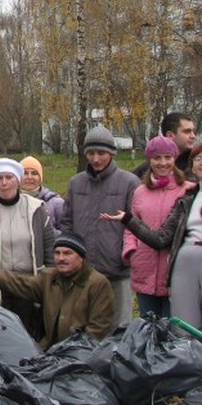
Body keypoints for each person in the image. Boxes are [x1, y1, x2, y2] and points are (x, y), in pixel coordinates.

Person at [102, 144, 202, 347]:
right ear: (192, 168)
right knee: (182, 329)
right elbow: (161, 238)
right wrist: (128, 220)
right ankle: (186, 370)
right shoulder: (186, 199)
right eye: (198, 159)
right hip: (183, 266)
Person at [0, 158, 55, 338]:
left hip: (30, 287)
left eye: (9, 177)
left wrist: (51, 287)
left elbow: (50, 252)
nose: (4, 183)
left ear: (18, 180)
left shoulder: (37, 211)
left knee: (30, 338)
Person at [0, 233, 115, 350]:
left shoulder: (98, 283)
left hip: (82, 354)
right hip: (48, 350)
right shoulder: (49, 278)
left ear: (81, 257)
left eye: (67, 253)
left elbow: (98, 330)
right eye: (57, 253)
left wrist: (73, 353)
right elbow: (22, 283)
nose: (61, 258)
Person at [61, 125, 139, 326]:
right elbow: (67, 222)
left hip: (117, 271)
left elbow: (135, 224)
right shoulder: (76, 183)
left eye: (102, 153)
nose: (96, 159)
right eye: (91, 153)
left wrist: (124, 255)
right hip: (82, 272)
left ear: (111, 153)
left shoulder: (129, 182)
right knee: (83, 327)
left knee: (119, 329)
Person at [122, 137, 194, 318]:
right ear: (149, 160)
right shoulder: (140, 191)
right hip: (144, 269)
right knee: (148, 330)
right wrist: (131, 251)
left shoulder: (187, 189)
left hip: (176, 272)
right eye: (157, 158)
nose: (163, 163)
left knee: (172, 331)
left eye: (168, 157)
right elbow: (131, 225)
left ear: (174, 159)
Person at [133, 112, 197, 179]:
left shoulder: (197, 165)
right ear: (170, 135)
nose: (193, 136)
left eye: (193, 131)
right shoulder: (146, 171)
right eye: (187, 131)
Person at [19, 156, 65, 234]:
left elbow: (66, 234)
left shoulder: (56, 203)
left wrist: (47, 232)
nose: (30, 177)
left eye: (34, 173)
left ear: (40, 177)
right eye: (25, 173)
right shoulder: (11, 201)